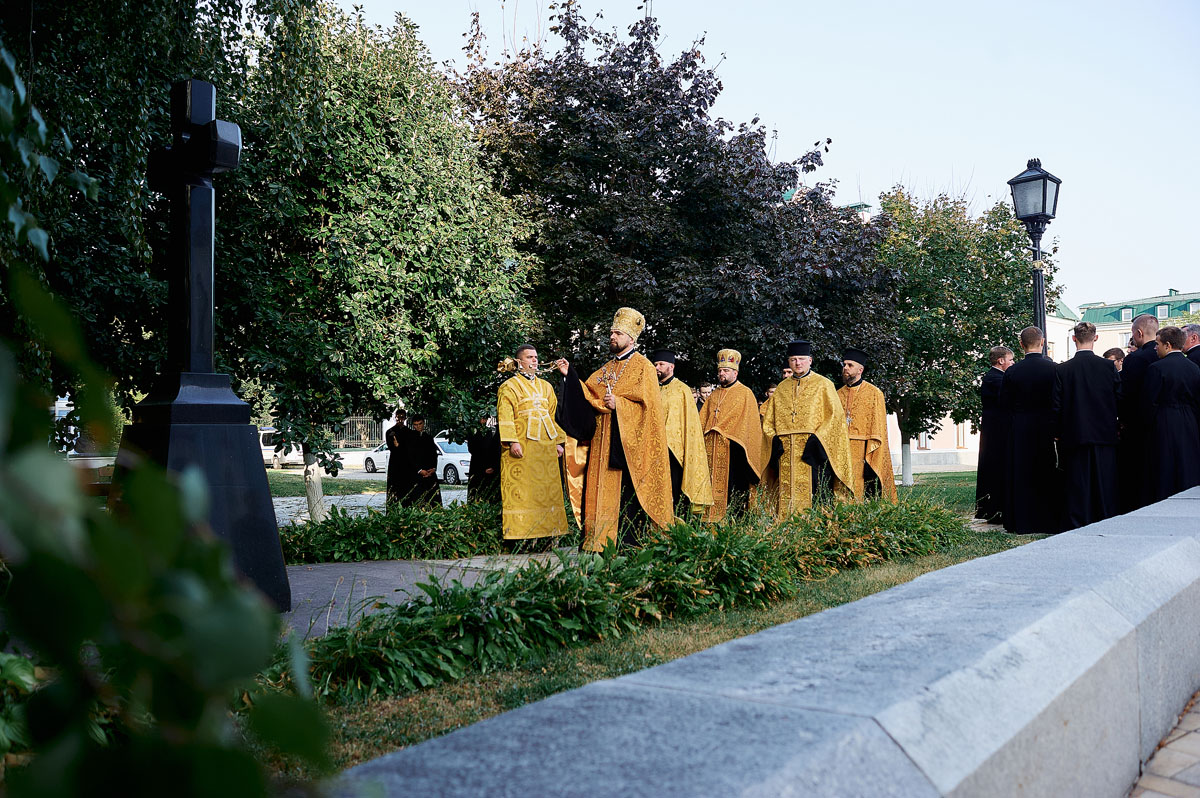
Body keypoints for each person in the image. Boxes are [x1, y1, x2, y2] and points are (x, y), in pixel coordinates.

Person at [556, 308, 672, 550]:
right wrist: (570, 375)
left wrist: (619, 404)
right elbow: (588, 394)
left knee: (627, 496)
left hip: (628, 447)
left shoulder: (644, 368)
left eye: (617, 333)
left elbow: (650, 409)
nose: (612, 336)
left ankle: (629, 545)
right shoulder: (606, 369)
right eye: (611, 332)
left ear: (631, 339)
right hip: (602, 443)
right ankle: (598, 541)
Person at [760, 340, 853, 517]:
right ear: (789, 362)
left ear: (810, 360)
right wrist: (774, 439)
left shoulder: (823, 385)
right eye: (793, 359)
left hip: (814, 454)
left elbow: (835, 418)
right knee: (786, 496)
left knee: (817, 496)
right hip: (786, 454)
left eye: (801, 359)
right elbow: (768, 422)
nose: (797, 363)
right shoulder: (781, 389)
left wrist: (817, 439)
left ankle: (816, 535)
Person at [1052, 322, 1121, 530]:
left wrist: (1056, 432)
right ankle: (1105, 516)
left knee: (1076, 482)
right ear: (1096, 338)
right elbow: (1119, 397)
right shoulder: (1108, 367)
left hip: (1074, 432)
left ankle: (1077, 520)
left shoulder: (1062, 369)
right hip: (1104, 431)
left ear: (1074, 339)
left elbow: (1056, 404)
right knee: (1104, 480)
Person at [497, 345, 569, 542]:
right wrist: (512, 441)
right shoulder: (509, 386)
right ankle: (522, 537)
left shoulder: (546, 386)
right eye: (530, 357)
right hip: (523, 447)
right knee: (523, 492)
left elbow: (554, 415)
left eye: (536, 357)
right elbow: (505, 415)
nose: (535, 361)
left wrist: (558, 443)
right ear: (519, 361)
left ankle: (547, 536)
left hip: (545, 450)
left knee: (546, 492)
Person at [1000, 327, 1059, 535]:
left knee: (1021, 473)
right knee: (1045, 471)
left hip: (1020, 427)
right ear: (1042, 343)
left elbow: (1004, 403)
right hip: (1045, 427)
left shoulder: (1012, 371)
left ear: (1021, 345)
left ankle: (1021, 520)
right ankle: (1046, 519)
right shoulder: (1053, 369)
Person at [698, 349, 765, 521]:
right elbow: (702, 420)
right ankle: (708, 521)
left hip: (734, 453)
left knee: (734, 492)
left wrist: (727, 433)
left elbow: (749, 427)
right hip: (711, 452)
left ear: (735, 372)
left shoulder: (745, 393)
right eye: (720, 370)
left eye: (726, 371)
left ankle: (733, 523)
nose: (721, 373)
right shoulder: (713, 395)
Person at [652, 349, 713, 514]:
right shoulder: (651, 388)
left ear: (671, 367)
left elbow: (690, 424)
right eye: (655, 364)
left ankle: (678, 527)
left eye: (661, 364)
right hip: (654, 448)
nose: (657, 367)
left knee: (676, 491)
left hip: (675, 451)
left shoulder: (682, 390)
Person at [1143, 326, 1200, 502]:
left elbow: (1148, 402)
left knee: (1165, 464)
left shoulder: (1156, 368)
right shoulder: (1194, 368)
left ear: (1167, 345)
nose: (1155, 348)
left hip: (1164, 420)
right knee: (1187, 462)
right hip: (1189, 420)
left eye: (1157, 344)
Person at [837, 347, 896, 502]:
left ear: (860, 369)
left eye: (850, 365)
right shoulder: (837, 394)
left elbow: (878, 426)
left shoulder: (874, 393)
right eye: (844, 365)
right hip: (841, 449)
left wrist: (871, 453)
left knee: (864, 490)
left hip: (864, 450)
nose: (845, 368)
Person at [1118, 314, 1161, 511]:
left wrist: (1122, 421)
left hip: (1137, 425)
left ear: (1139, 333)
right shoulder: (1164, 356)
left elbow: (1126, 394)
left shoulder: (1135, 359)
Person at [975, 345, 1013, 524]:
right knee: (996, 468)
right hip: (996, 431)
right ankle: (995, 508)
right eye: (1011, 360)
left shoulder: (994, 377)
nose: (1013, 363)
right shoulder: (996, 379)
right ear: (1001, 361)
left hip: (994, 428)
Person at [404, 415, 441, 507]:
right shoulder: (409, 438)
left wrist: (433, 468)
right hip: (416, 474)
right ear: (413, 425)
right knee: (418, 500)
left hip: (430, 473)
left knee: (433, 499)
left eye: (420, 424)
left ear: (423, 423)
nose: (418, 426)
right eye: (415, 425)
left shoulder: (428, 437)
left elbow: (433, 454)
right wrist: (420, 470)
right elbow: (410, 457)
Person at [466, 415, 501, 502]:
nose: (483, 420)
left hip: (492, 470)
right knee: (475, 496)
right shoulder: (473, 431)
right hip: (478, 469)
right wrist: (483, 469)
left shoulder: (492, 431)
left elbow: (496, 450)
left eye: (485, 418)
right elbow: (474, 450)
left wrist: (493, 466)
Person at [385, 409, 415, 506]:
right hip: (395, 464)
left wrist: (399, 446)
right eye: (398, 417)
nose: (400, 420)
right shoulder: (390, 432)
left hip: (407, 465)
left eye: (402, 417)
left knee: (407, 489)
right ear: (395, 418)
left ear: (405, 418)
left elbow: (409, 448)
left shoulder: (410, 433)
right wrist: (398, 447)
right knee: (394, 489)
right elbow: (392, 448)